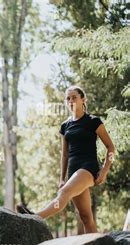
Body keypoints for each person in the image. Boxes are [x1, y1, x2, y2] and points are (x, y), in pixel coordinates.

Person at [16, 86, 115, 233]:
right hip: (73, 170)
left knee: (65, 193)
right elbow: (65, 155)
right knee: (86, 217)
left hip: (88, 168)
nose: (71, 101)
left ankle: (35, 218)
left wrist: (104, 171)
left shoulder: (93, 121)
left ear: (83, 100)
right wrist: (62, 178)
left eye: (74, 97)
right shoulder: (65, 126)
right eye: (68, 98)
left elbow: (110, 148)